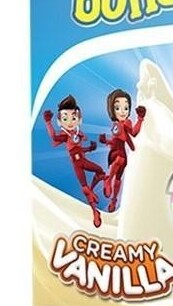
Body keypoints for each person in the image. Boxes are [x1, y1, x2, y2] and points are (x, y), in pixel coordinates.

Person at [43, 94, 105, 228]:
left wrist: (90, 148)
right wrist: (48, 122)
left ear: (78, 118)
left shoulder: (77, 133)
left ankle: (91, 189)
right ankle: (95, 211)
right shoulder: (65, 135)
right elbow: (54, 137)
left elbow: (79, 150)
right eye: (65, 118)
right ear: (60, 121)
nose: (70, 122)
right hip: (77, 164)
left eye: (73, 118)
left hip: (83, 160)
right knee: (85, 187)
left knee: (100, 172)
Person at [99, 88, 146, 212]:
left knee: (119, 177)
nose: (122, 111)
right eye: (117, 108)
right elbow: (115, 139)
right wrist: (106, 141)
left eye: (126, 108)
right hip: (115, 152)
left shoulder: (127, 122)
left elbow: (134, 133)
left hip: (122, 152)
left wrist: (140, 119)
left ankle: (113, 200)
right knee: (119, 159)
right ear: (112, 109)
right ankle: (108, 179)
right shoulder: (115, 124)